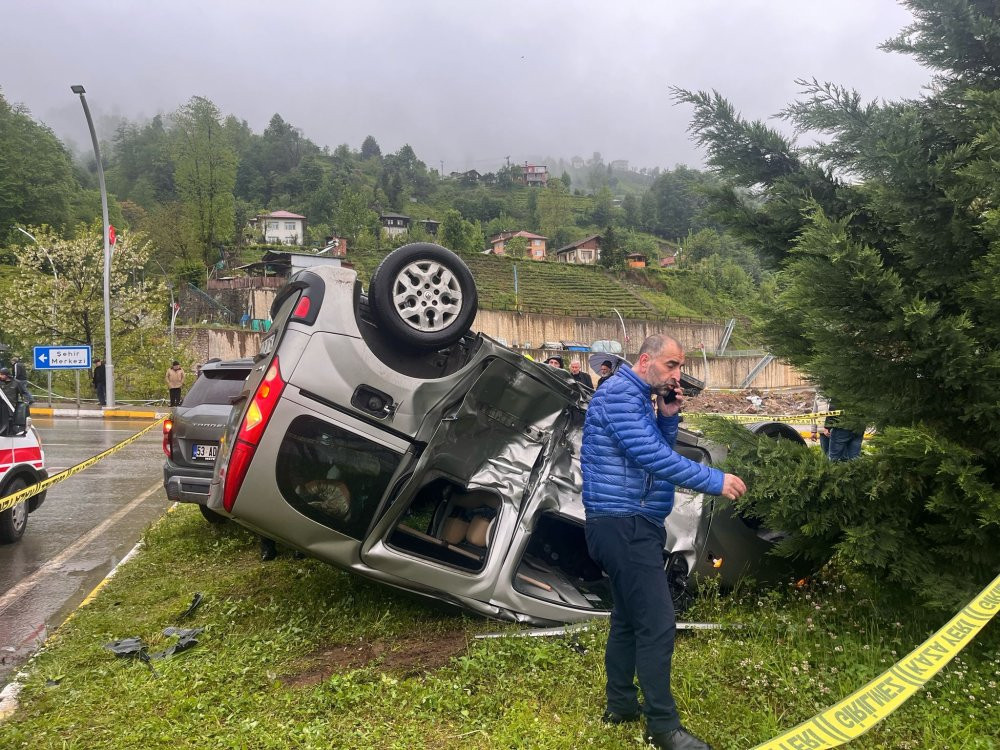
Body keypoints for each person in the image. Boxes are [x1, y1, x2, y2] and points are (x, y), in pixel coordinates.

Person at [582, 334, 746, 750]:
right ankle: (664, 729)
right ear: (645, 361)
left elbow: (652, 445)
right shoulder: (620, 393)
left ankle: (620, 705)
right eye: (671, 366)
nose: (678, 375)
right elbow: (652, 457)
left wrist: (669, 417)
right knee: (657, 624)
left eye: (679, 367)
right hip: (624, 525)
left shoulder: (638, 398)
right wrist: (715, 480)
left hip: (628, 524)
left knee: (628, 620)